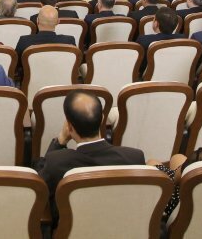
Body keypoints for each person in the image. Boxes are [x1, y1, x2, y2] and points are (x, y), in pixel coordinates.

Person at [36, 90, 145, 221]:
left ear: (69, 127)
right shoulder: (135, 158)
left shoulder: (56, 162)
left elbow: (37, 186)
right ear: (102, 119)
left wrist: (60, 141)